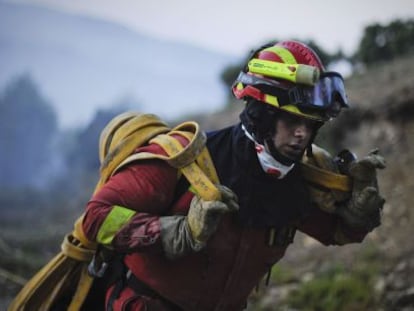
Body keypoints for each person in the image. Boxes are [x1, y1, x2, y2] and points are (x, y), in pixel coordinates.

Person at [81, 40, 386, 310]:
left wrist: (357, 217)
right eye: (292, 121)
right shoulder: (184, 158)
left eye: (311, 124)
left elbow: (338, 233)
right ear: (262, 114)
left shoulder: (298, 181)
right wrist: (177, 233)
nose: (301, 135)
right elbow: (96, 218)